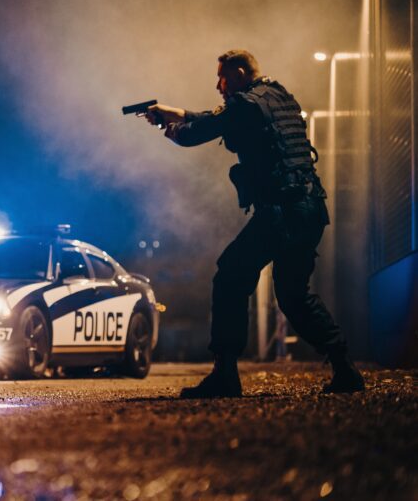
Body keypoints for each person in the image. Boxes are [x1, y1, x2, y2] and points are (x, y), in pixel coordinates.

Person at [146, 49, 365, 398]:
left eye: (224, 77)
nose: (219, 85)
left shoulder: (245, 104)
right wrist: (173, 111)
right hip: (309, 208)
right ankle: (344, 366)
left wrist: (173, 131)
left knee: (231, 276)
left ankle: (225, 375)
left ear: (242, 72)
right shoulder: (278, 96)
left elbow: (200, 130)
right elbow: (217, 117)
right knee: (294, 295)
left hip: (281, 211)